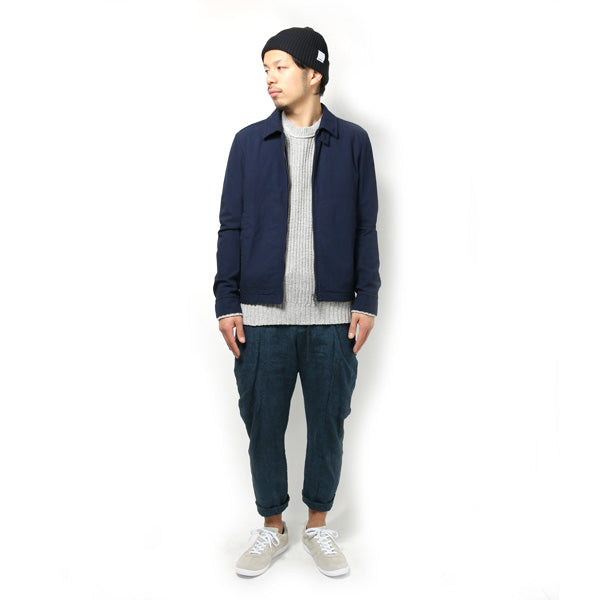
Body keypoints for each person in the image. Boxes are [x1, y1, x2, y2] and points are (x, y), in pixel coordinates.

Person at [213, 26, 381, 577]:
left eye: (281, 66)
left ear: (314, 73)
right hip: (261, 317)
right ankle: (272, 526)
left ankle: (318, 525)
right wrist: (227, 303)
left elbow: (365, 227)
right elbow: (231, 227)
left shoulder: (352, 142)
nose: (270, 78)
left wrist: (366, 300)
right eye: (266, 68)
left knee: (328, 424)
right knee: (263, 424)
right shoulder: (248, 143)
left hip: (333, 317)